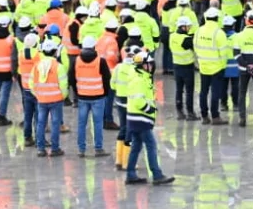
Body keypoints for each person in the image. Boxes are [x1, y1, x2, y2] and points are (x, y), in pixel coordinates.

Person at [123, 48, 175, 185]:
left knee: (136, 147)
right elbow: (139, 101)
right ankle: (157, 175)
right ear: (142, 65)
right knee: (151, 146)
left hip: (135, 118)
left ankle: (130, 174)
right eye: (149, 64)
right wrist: (150, 108)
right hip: (141, 118)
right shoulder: (139, 80)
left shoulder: (138, 76)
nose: (151, 67)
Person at [74, 36, 113, 157]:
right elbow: (107, 79)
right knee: (97, 123)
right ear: (94, 47)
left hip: (82, 96)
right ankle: (98, 148)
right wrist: (105, 93)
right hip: (98, 96)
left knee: (81, 124)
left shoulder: (77, 60)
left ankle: (81, 149)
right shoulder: (100, 61)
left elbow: (71, 77)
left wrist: (77, 91)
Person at [31, 38, 68, 157]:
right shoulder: (58, 66)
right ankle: (55, 148)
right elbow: (63, 85)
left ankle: (40, 149)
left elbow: (31, 84)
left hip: (41, 100)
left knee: (41, 123)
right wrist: (63, 96)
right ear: (54, 51)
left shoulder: (37, 66)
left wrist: (38, 95)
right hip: (56, 100)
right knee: (55, 124)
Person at [194, 8, 230, 125]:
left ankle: (204, 116)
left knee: (203, 91)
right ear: (217, 19)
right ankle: (215, 116)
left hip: (203, 66)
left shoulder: (198, 31)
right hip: (217, 67)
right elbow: (224, 53)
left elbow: (195, 46)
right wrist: (223, 66)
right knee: (215, 92)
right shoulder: (219, 33)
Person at [169, 15, 196, 120]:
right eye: (188, 26)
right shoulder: (186, 39)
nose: (189, 28)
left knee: (179, 90)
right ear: (183, 27)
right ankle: (190, 113)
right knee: (189, 91)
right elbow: (193, 44)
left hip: (176, 65)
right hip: (187, 67)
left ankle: (179, 111)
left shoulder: (173, 36)